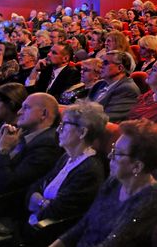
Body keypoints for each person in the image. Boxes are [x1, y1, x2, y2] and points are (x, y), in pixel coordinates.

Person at [50, 119, 157, 247]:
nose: (109, 157)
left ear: (137, 167)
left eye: (117, 153)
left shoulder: (152, 202)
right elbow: (85, 223)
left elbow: (113, 243)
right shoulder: (114, 181)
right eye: (113, 149)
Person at [23, 102, 108, 243]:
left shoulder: (90, 170)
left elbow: (56, 212)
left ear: (82, 132)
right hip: (31, 224)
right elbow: (35, 186)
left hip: (49, 235)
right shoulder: (67, 157)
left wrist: (37, 201)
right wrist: (43, 202)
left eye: (64, 125)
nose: (58, 130)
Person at [0, 93, 62, 197]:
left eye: (26, 108)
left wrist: (3, 150)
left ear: (43, 114)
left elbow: (7, 184)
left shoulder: (48, 145)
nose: (19, 112)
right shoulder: (23, 135)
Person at [88, 50, 140, 121]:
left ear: (120, 68)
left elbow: (109, 117)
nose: (101, 66)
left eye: (105, 63)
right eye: (101, 63)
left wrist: (80, 117)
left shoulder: (127, 89)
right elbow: (85, 105)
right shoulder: (100, 84)